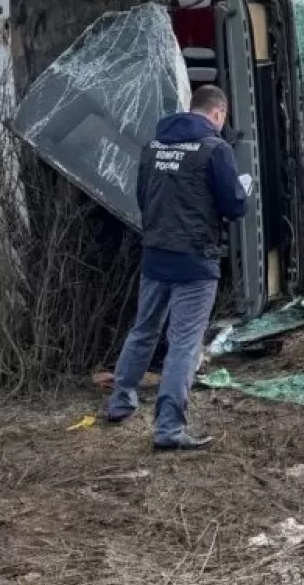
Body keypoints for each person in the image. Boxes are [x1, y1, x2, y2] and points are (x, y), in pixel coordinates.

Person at [105, 84, 249, 451]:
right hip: (195, 261)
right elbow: (234, 207)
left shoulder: (153, 147)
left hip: (156, 254)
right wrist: (242, 191)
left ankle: (120, 400)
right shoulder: (215, 149)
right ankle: (168, 429)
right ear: (218, 113)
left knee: (144, 329)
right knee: (184, 343)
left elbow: (141, 196)